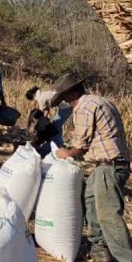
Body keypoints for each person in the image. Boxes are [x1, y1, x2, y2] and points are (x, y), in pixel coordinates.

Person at [52, 73, 132, 262]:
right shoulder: (100, 101)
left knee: (108, 215)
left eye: (65, 98)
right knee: (90, 201)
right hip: (106, 165)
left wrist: (65, 153)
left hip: (108, 165)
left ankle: (125, 257)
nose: (66, 102)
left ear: (71, 94)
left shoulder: (84, 107)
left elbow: (80, 145)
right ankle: (100, 248)